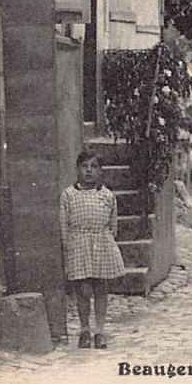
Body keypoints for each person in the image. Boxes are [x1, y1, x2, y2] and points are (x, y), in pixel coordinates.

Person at [59, 148, 126, 350]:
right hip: (78, 244)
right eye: (84, 166)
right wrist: (69, 247)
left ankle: (100, 331)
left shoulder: (107, 196)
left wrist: (105, 241)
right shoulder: (68, 195)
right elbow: (64, 225)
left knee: (100, 288)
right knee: (83, 290)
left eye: (94, 167)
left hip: (101, 244)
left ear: (100, 171)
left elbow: (112, 226)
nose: (89, 171)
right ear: (77, 169)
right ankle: (84, 329)